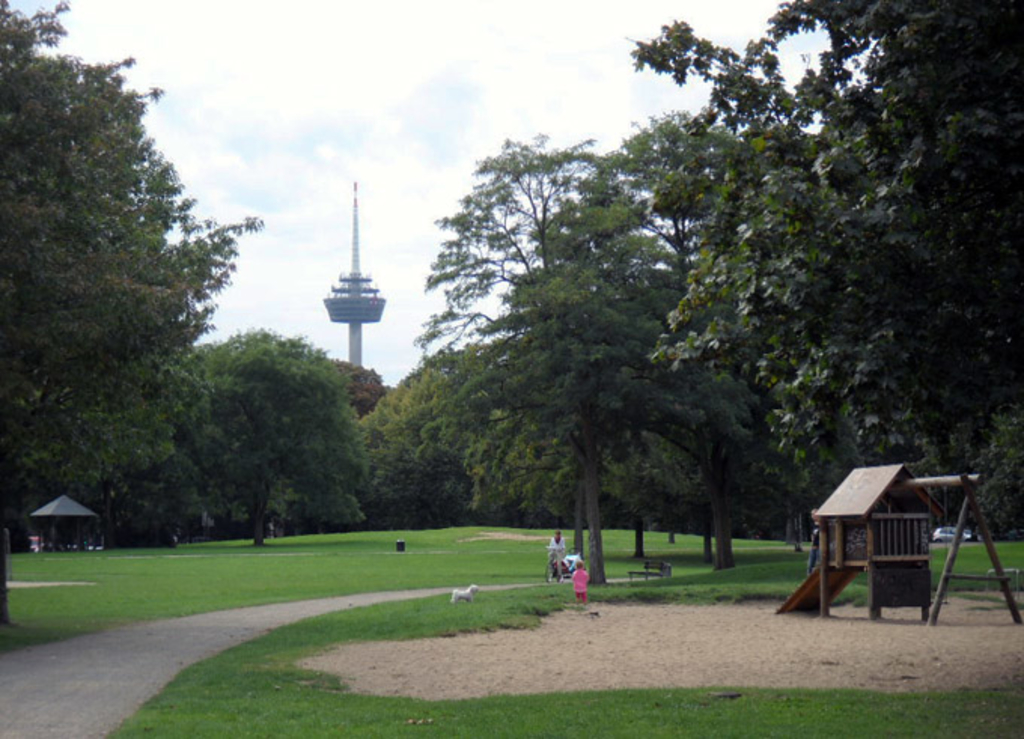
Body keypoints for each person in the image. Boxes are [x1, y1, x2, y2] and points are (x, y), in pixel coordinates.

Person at [807, 509, 821, 575]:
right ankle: (809, 575)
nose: (813, 516)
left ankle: (818, 576)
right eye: (812, 514)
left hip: (820, 546)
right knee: (810, 563)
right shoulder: (813, 525)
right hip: (814, 546)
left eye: (814, 514)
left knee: (819, 562)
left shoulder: (822, 524)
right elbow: (812, 534)